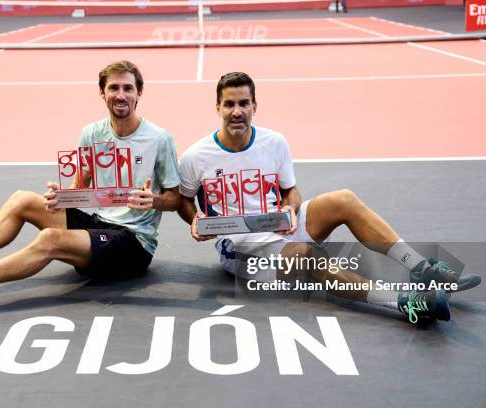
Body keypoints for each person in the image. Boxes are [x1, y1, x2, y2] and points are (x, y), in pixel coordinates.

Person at [177, 71, 480, 324]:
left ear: (255, 105)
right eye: (229, 104)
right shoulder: (196, 156)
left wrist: (291, 209)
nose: (237, 111)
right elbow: (184, 200)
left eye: (244, 103)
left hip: (279, 224)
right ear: (217, 107)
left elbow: (290, 191)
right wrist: (195, 219)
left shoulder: (274, 142)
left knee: (343, 199)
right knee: (307, 256)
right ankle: (403, 301)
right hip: (241, 247)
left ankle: (423, 270)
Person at [0, 60, 181, 309]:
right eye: (114, 88)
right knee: (21, 199)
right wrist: (62, 196)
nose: (121, 95)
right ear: (102, 93)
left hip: (132, 242)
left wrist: (152, 201)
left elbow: (175, 199)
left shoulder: (160, 138)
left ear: (139, 93)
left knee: (50, 239)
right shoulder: (92, 133)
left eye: (128, 88)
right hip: (97, 223)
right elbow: (81, 190)